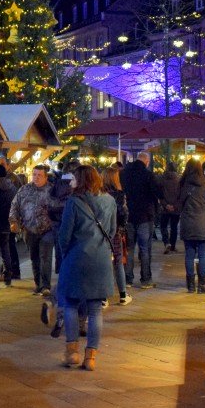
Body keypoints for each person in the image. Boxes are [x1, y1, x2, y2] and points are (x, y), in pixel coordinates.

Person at [56, 165, 116, 371]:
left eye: (74, 179)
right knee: (95, 309)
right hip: (100, 259)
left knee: (70, 305)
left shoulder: (74, 202)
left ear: (80, 180)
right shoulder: (110, 201)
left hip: (76, 257)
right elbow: (113, 230)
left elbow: (64, 235)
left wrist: (66, 255)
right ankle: (90, 357)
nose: (71, 182)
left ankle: (72, 352)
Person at [9, 164, 56, 295]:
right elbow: (14, 206)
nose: (36, 177)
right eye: (34, 174)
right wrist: (13, 221)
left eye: (39, 175)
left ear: (46, 177)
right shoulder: (24, 190)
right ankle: (38, 284)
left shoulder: (52, 191)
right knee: (34, 257)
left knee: (45, 257)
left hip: (47, 230)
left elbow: (59, 209)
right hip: (29, 230)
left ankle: (46, 285)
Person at [120, 151, 159, 290]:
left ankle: (128, 279)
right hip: (145, 216)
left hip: (129, 216)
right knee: (144, 249)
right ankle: (146, 279)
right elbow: (156, 194)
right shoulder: (148, 175)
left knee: (129, 249)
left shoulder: (124, 174)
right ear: (147, 162)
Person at [177, 159, 205, 293]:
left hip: (188, 223)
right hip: (203, 224)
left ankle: (190, 285)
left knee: (189, 254)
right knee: (203, 254)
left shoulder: (183, 185)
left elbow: (179, 203)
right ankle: (202, 285)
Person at [101, 165, 130, 304]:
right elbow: (124, 213)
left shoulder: (98, 194)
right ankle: (123, 294)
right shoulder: (119, 194)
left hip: (101, 232)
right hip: (116, 231)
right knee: (118, 262)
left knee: (104, 263)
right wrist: (122, 227)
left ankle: (103, 297)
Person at [0, 157, 23, 278]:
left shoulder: (12, 179)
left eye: (2, 164)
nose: (0, 166)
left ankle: (12, 271)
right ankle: (9, 271)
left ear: (9, 166)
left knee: (8, 244)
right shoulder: (3, 178)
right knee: (7, 244)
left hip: (10, 216)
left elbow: (16, 199)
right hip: (6, 216)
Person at [158, 161, 181, 253]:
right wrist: (175, 206)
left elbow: (159, 194)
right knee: (174, 227)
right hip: (176, 208)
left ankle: (166, 242)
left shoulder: (162, 179)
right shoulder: (179, 179)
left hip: (164, 208)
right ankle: (173, 245)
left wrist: (165, 204)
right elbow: (180, 195)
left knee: (163, 226)